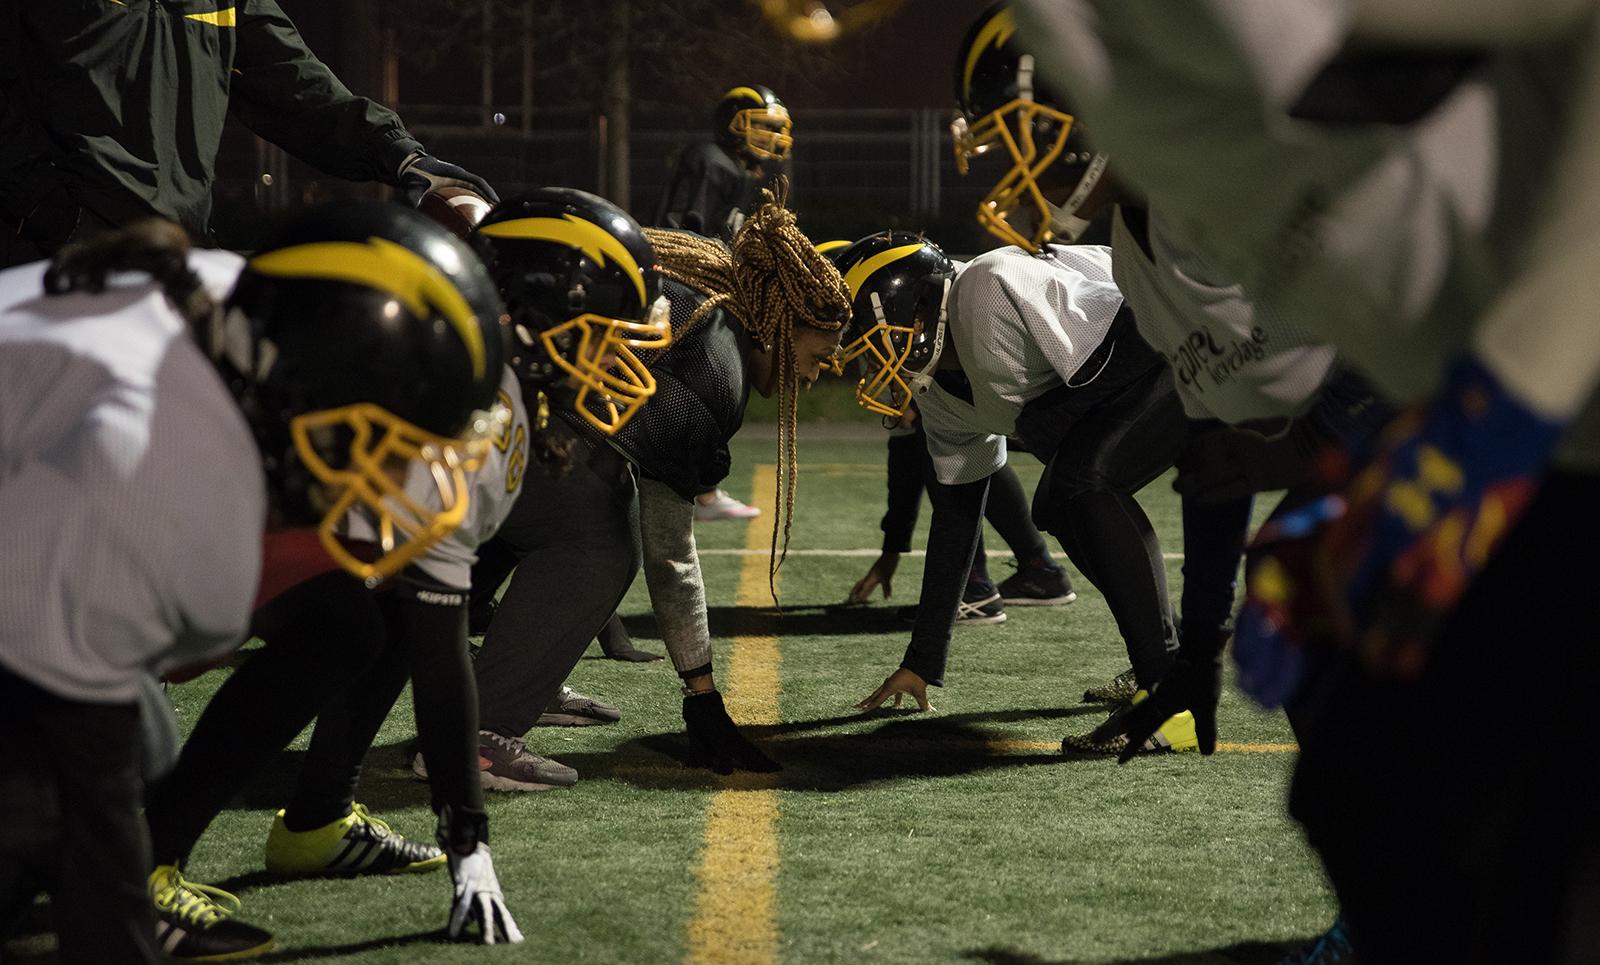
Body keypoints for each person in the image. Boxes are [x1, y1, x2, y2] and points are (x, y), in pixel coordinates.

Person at [1016, 0, 1600, 958]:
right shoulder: (1143, 215)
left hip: (1539, 404)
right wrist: (1198, 649)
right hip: (1534, 423)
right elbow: (1219, 451)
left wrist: (1482, 429)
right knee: (1369, 789)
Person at [0, 204, 507, 961]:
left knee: (129, 728)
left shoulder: (233, 300)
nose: (401, 475)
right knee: (57, 793)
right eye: (386, 437)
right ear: (303, 381)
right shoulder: (140, 453)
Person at [467, 184, 852, 785]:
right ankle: (480, 734)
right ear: (780, 323)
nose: (818, 371)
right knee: (597, 541)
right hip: (493, 411)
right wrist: (700, 692)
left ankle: (513, 682)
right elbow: (669, 551)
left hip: (486, 396)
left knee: (581, 506)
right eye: (818, 352)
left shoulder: (709, 292)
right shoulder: (716, 370)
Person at [838, 230, 1196, 757]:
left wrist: (1042, 424)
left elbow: (1130, 333)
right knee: (1064, 499)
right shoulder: (939, 395)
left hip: (1182, 333)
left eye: (875, 340)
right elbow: (957, 517)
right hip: (1161, 351)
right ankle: (1171, 658)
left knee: (1078, 485)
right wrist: (922, 660)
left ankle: (1166, 695)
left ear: (915, 312)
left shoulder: (988, 287)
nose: (873, 365)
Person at [0, 0, 494, 265]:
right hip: (44, 260)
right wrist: (46, 212)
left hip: (174, 253)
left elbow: (294, 81)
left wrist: (403, 158)